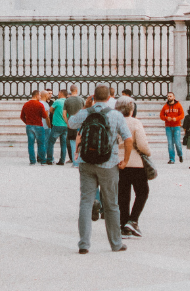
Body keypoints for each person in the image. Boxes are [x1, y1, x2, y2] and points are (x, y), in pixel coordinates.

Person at [68, 85, 132, 254]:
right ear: (110, 98)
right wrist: (125, 160)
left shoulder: (87, 112)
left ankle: (84, 244)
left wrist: (85, 106)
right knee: (111, 204)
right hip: (108, 163)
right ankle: (116, 243)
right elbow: (128, 138)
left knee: (86, 203)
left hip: (86, 162)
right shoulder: (115, 115)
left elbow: (71, 123)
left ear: (93, 97)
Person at [116, 96, 150, 238]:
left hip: (118, 161)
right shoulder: (135, 122)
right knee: (142, 192)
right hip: (135, 162)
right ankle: (133, 220)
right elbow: (142, 144)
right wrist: (148, 152)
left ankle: (123, 225)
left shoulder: (114, 122)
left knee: (123, 195)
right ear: (132, 109)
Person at [21, 90, 49, 166]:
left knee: (30, 144)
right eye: (39, 95)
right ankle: (43, 161)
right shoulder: (40, 105)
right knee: (41, 144)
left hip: (29, 126)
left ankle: (32, 161)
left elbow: (22, 116)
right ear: (36, 95)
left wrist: (27, 122)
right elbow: (44, 116)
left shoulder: (26, 104)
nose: (40, 97)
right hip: (39, 126)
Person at [159, 92, 185, 164]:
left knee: (177, 142)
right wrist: (166, 118)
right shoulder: (165, 107)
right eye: (168, 96)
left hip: (176, 126)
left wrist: (176, 118)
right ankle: (172, 159)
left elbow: (182, 115)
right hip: (168, 127)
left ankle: (180, 155)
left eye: (170, 96)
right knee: (170, 143)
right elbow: (161, 116)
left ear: (174, 97)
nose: (169, 97)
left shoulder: (178, 105)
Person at [64, 85, 85, 166]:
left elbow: (64, 114)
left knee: (73, 141)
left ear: (70, 90)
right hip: (81, 123)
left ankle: (75, 162)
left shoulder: (67, 100)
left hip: (71, 123)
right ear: (77, 90)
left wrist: (67, 123)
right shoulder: (81, 99)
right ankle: (80, 160)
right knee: (80, 141)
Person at [47, 88, 68, 165]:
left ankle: (49, 159)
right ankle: (62, 160)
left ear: (61, 93)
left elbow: (51, 110)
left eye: (59, 93)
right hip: (65, 125)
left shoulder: (57, 101)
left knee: (51, 142)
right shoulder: (67, 102)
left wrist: (55, 112)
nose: (58, 94)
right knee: (63, 144)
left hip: (57, 125)